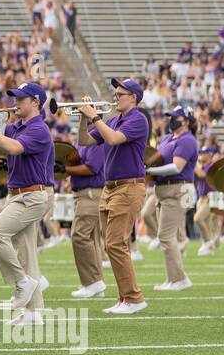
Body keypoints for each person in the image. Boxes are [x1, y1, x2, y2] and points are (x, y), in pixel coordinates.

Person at [0, 83, 54, 324]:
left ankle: (22, 282)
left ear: (36, 103)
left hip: (31, 196)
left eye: (21, 98)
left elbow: (14, 147)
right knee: (26, 252)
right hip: (18, 194)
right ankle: (34, 313)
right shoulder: (14, 126)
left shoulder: (39, 128)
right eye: (15, 98)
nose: (16, 102)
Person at [77, 78, 150, 314]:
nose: (115, 96)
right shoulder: (114, 119)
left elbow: (113, 139)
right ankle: (124, 298)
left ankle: (134, 298)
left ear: (134, 98)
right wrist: (83, 118)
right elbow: (84, 140)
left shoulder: (138, 119)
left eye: (120, 94)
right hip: (110, 188)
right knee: (111, 245)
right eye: (115, 93)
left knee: (115, 244)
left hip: (128, 186)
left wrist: (95, 117)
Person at [145, 106, 198, 291]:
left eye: (176, 117)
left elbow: (176, 167)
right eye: (171, 117)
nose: (172, 120)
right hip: (163, 189)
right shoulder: (168, 138)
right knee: (166, 237)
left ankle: (180, 279)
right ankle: (171, 279)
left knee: (166, 236)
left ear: (187, 121)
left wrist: (150, 171)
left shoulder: (188, 140)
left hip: (177, 189)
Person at [65, 134, 107, 297]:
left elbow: (92, 167)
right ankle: (97, 283)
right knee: (92, 239)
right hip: (84, 193)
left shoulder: (96, 138)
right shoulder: (80, 140)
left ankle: (92, 282)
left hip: (91, 193)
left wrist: (66, 170)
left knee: (80, 236)